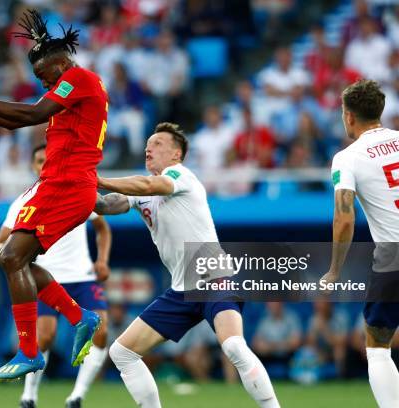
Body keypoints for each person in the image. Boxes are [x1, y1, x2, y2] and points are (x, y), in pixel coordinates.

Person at [0, 9, 106, 380]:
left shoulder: (80, 78)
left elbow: (29, 114)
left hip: (69, 184)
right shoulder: (68, 96)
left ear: (61, 64)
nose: (44, 85)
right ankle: (80, 317)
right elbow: (15, 122)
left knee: (11, 256)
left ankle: (29, 351)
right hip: (57, 183)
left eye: (44, 77)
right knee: (16, 259)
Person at [95, 122, 280, 407]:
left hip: (213, 278)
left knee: (233, 346)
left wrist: (99, 178)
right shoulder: (140, 190)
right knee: (121, 352)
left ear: (176, 154)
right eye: (147, 143)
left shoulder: (180, 175)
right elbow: (107, 205)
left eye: (157, 143)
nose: (148, 148)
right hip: (181, 289)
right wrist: (77, 184)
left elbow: (150, 184)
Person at [322, 79, 399, 407]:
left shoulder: (348, 158)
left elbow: (344, 218)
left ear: (348, 117)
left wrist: (333, 270)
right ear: (380, 111)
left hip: (393, 259)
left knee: (377, 345)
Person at [0, 144, 112, 408]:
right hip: (46, 278)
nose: (44, 163)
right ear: (33, 166)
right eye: (39, 160)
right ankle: (29, 396)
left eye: (49, 159)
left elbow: (103, 226)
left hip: (82, 275)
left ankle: (77, 395)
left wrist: (102, 260)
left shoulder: (76, 190)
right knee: (44, 337)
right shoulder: (23, 201)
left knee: (101, 334)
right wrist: (8, 254)